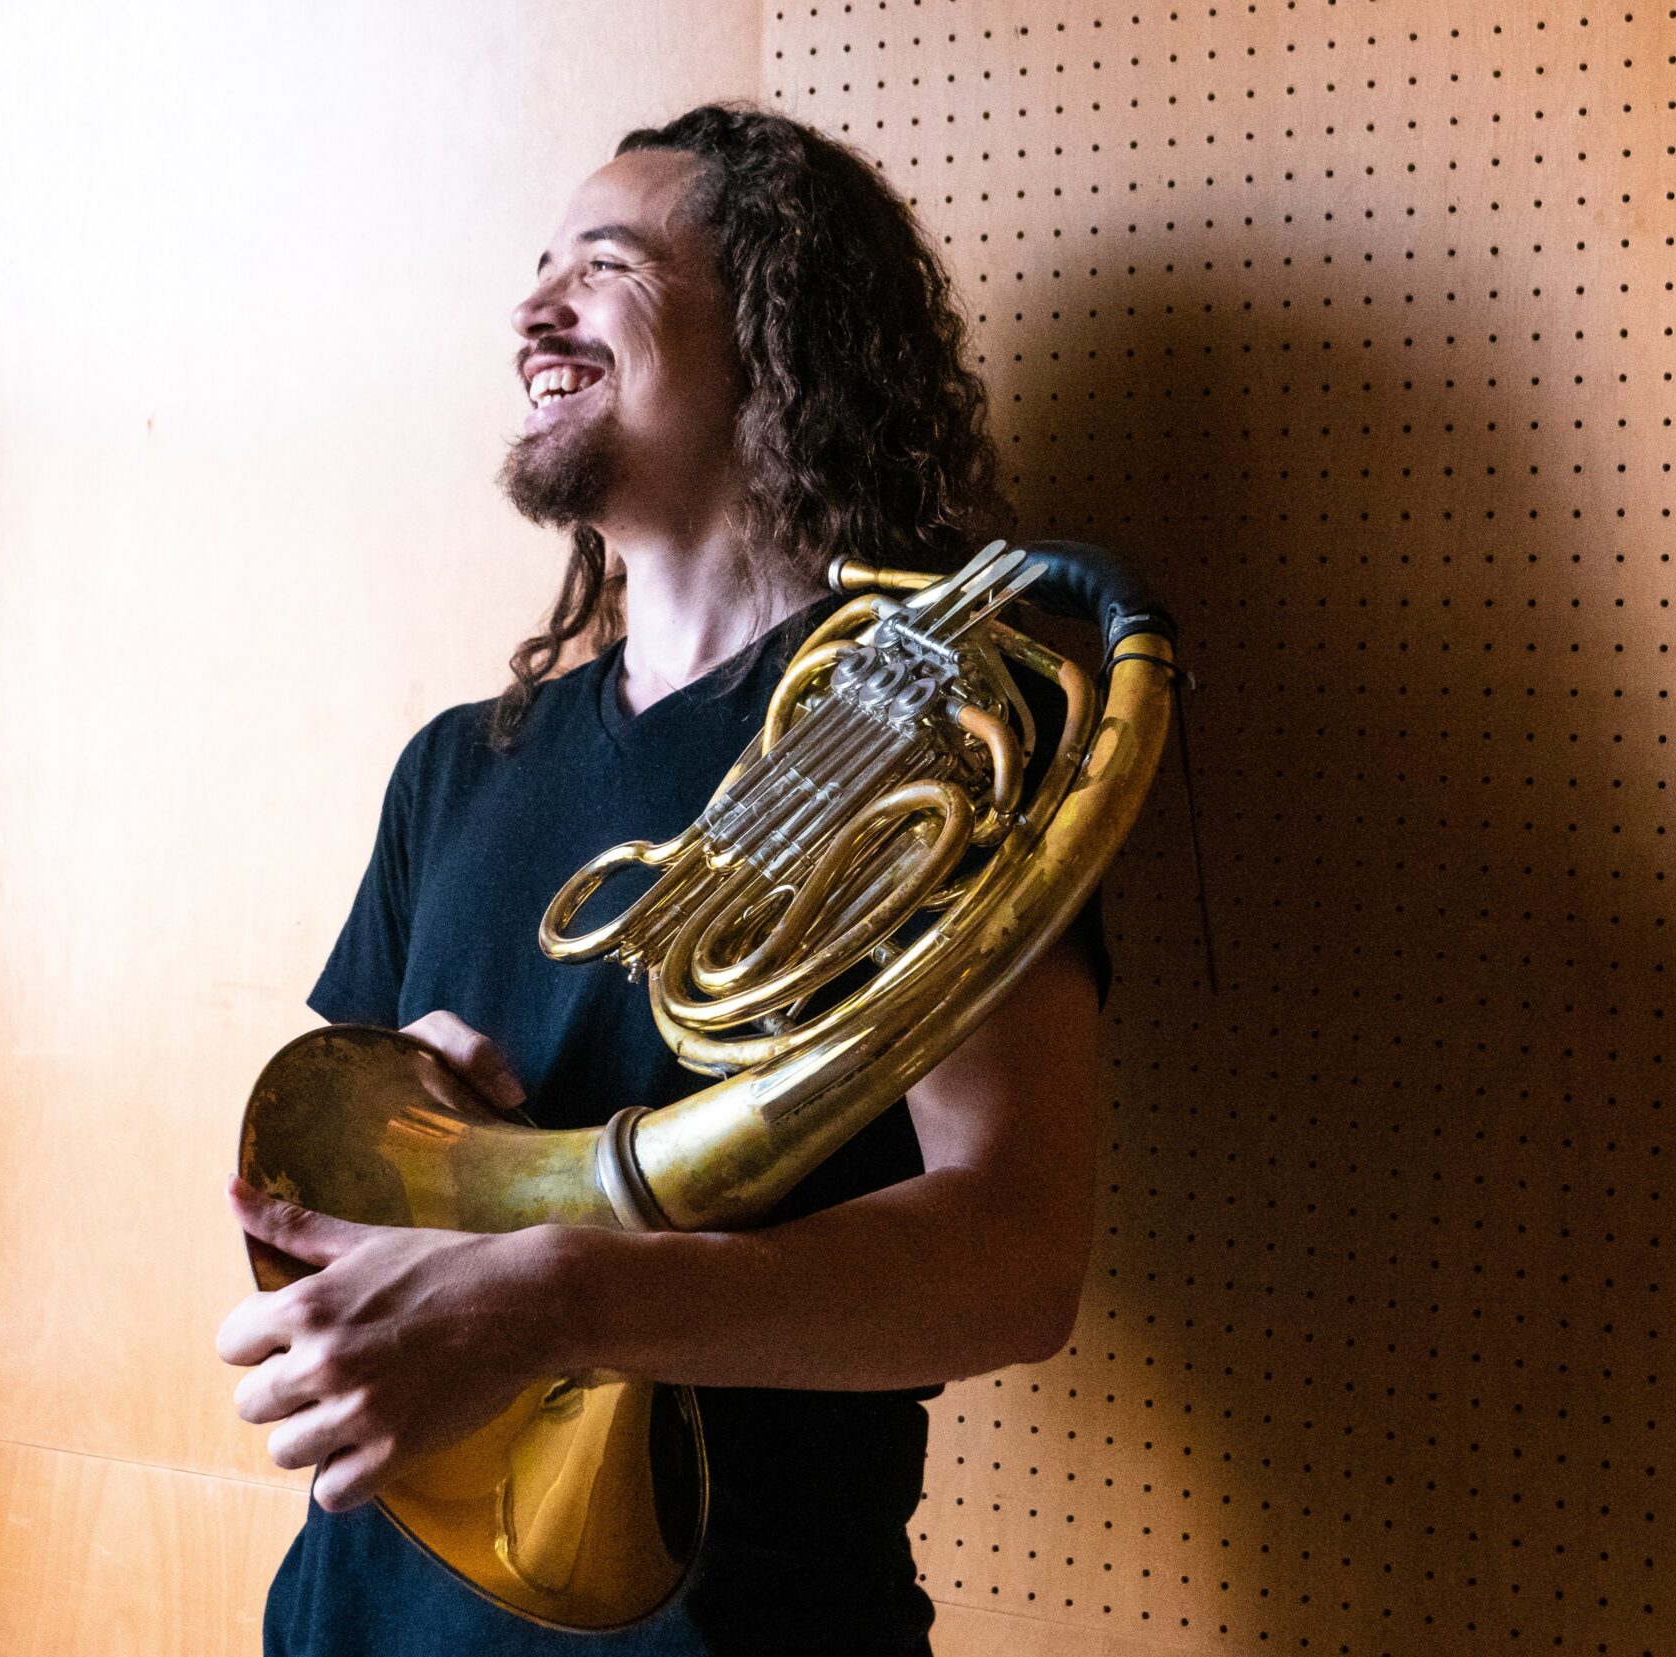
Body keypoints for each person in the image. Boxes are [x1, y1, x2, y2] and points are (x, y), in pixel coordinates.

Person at [215, 104, 1107, 1656]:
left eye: (604, 265)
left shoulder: (935, 736)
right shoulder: (457, 768)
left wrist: (566, 1296)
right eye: (537, 265)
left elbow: (1013, 1259)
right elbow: (315, 1215)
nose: (532, 308)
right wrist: (418, 1148)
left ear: (777, 337)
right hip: (360, 1617)